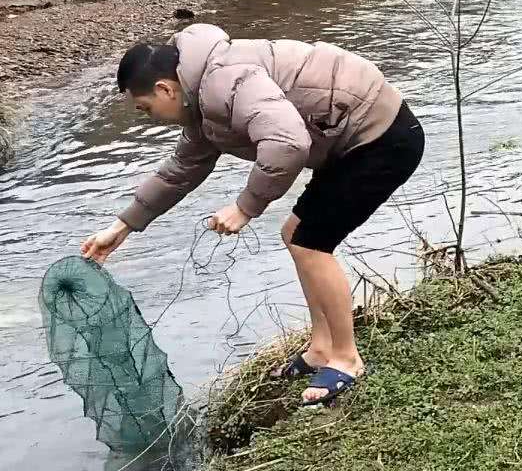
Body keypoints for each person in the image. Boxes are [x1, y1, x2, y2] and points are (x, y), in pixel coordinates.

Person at [81, 23, 424, 406]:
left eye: (146, 109)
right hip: (348, 138)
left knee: (312, 243)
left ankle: (347, 359)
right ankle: (321, 347)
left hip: (382, 135)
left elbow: (288, 142)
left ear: (165, 89)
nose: (150, 118)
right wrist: (123, 226)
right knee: (297, 234)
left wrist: (246, 207)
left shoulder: (224, 81)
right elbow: (180, 170)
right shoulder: (200, 101)